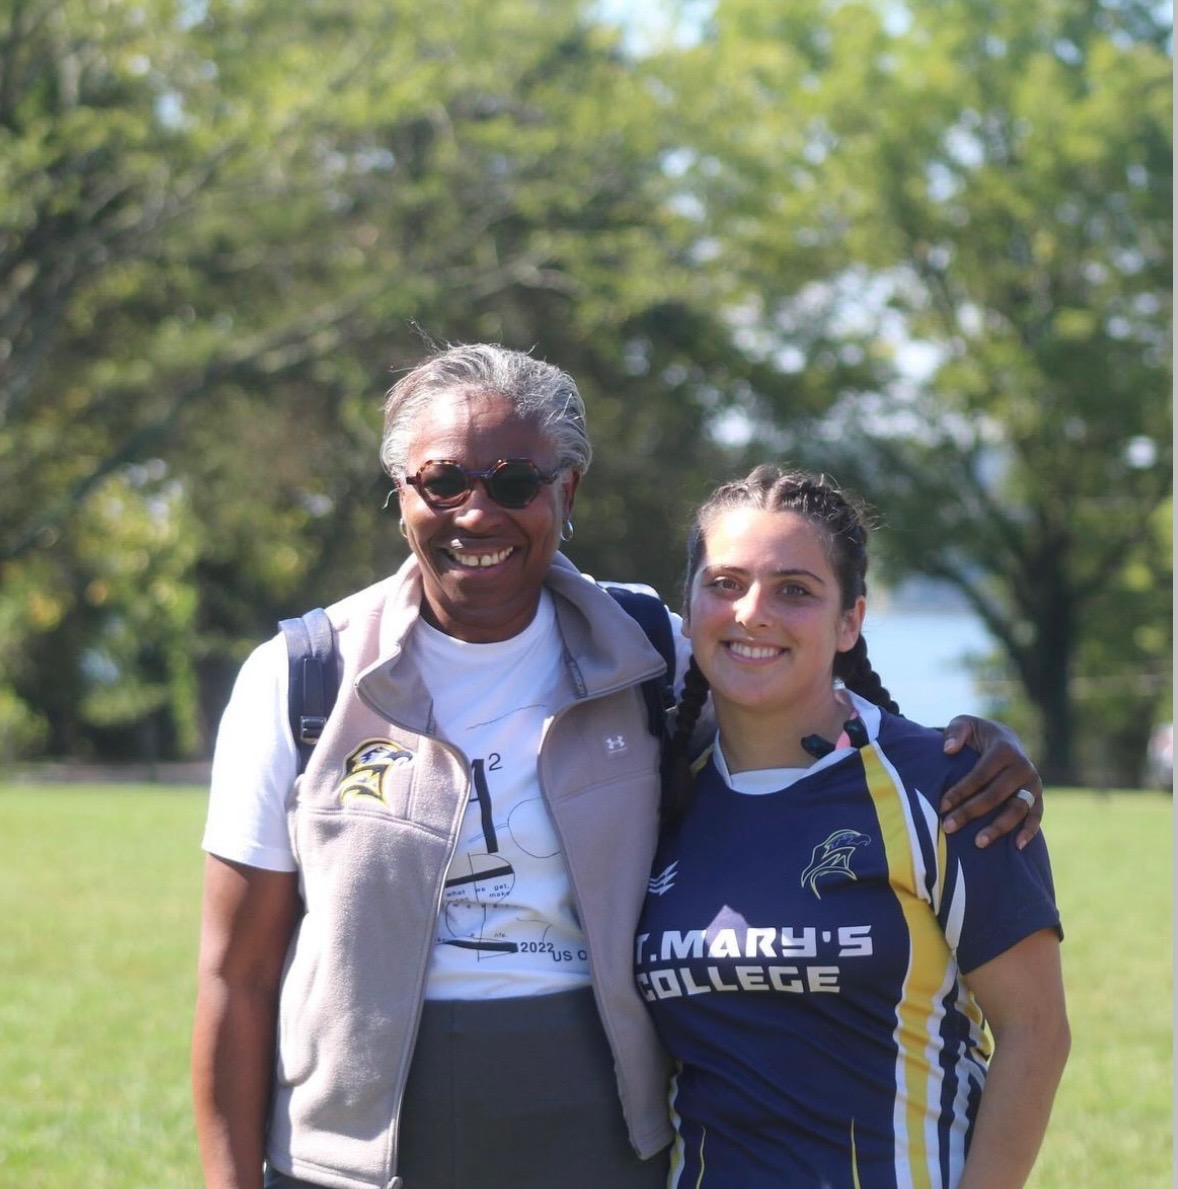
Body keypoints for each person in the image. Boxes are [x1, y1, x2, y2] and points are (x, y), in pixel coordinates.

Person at [192, 344, 1046, 1189]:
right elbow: (237, 974)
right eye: (444, 480)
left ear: (566, 494)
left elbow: (789, 697)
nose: (477, 512)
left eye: (516, 482)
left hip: (595, 1146)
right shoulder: (303, 676)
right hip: (349, 1157)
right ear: (402, 494)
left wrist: (967, 748)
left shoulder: (643, 651)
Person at [635, 465, 1069, 1188]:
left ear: (850, 620)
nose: (753, 612)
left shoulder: (951, 785)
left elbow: (1037, 1032)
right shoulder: (657, 796)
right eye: (725, 583)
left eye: (794, 590)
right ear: (687, 607)